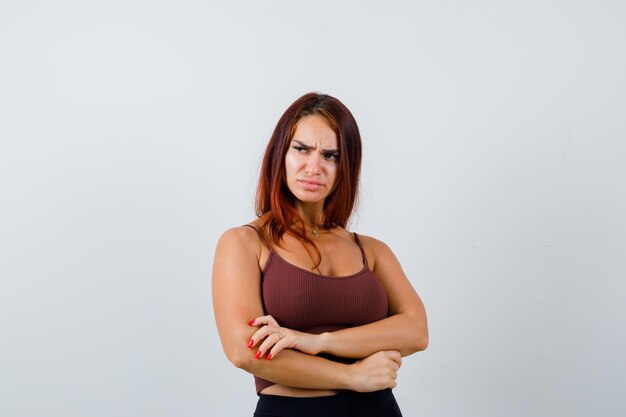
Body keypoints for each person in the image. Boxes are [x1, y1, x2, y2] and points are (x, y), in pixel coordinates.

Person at [212, 92, 428, 417]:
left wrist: (319, 342)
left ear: (345, 167)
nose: (314, 167)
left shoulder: (371, 250)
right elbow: (244, 350)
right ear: (280, 154)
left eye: (330, 155)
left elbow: (416, 332)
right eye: (301, 149)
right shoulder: (244, 243)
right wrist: (352, 376)